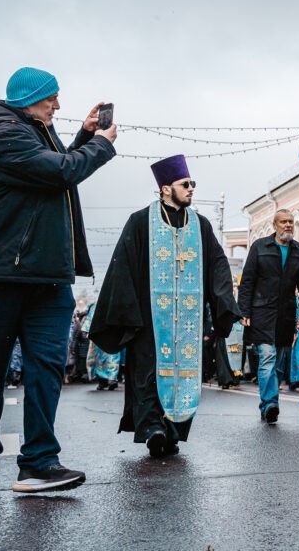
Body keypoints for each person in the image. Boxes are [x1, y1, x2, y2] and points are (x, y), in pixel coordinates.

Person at [0, 67, 116, 495]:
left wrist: (83, 138)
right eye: (52, 97)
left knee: (46, 369)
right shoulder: (4, 134)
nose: (58, 105)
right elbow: (60, 172)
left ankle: (40, 463)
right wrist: (101, 145)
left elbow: (53, 173)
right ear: (30, 99)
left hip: (45, 276)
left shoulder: (31, 131)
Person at [89, 154, 240, 455]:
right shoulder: (140, 221)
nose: (191, 188)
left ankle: (172, 432)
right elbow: (123, 267)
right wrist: (127, 312)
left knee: (184, 375)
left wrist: (224, 303)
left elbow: (218, 265)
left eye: (192, 183)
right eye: (185, 184)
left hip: (188, 320)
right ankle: (152, 428)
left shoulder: (200, 225)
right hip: (149, 318)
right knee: (148, 372)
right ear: (166, 188)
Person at [239, 208, 299, 425]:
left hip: (285, 314)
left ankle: (270, 403)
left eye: (291, 221)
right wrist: (244, 311)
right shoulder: (260, 247)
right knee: (267, 357)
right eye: (283, 222)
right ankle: (269, 403)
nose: (288, 225)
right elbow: (247, 281)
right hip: (262, 311)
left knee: (278, 362)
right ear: (275, 225)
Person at [81, 307, 119, 390]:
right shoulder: (97, 304)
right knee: (100, 359)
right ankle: (103, 381)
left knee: (112, 357)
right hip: (99, 334)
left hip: (111, 334)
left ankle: (111, 379)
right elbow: (91, 317)